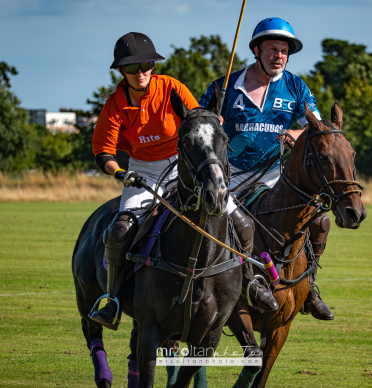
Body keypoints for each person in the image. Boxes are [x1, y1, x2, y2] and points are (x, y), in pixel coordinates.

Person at [89, 32, 277, 331]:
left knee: (240, 221)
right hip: (143, 171)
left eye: (146, 65)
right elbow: (103, 152)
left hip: (184, 165)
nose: (140, 73)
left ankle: (252, 281)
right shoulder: (115, 104)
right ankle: (112, 298)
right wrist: (121, 173)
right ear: (121, 71)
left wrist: (213, 122)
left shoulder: (171, 87)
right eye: (132, 68)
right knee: (120, 230)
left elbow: (196, 117)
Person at [199, 17, 334, 320]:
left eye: (284, 51)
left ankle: (310, 287)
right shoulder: (224, 87)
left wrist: (292, 134)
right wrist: (212, 121)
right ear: (257, 50)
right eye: (273, 49)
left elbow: (317, 128)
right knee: (233, 230)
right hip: (229, 178)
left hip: (275, 177)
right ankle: (229, 285)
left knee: (319, 221)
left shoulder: (296, 87)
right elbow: (197, 125)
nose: (279, 56)